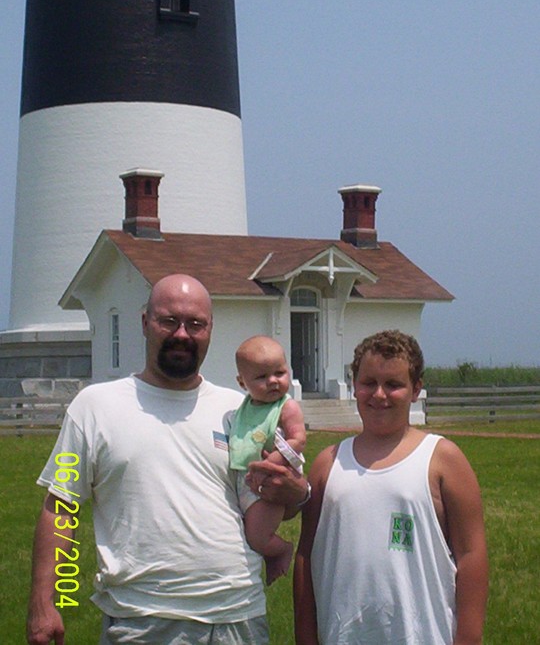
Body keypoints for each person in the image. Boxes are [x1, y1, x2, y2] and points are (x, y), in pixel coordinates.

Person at [27, 274, 309, 645]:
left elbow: (272, 501)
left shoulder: (241, 411)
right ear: (145, 322)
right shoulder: (94, 407)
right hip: (141, 620)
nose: (182, 334)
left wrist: (296, 493)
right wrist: (43, 603)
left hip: (238, 617)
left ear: (210, 330)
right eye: (169, 321)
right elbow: (62, 505)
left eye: (195, 324)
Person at [294, 330, 488, 645]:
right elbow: (306, 555)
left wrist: (468, 637)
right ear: (354, 384)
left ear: (416, 389)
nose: (379, 395)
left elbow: (471, 555)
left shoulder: (442, 460)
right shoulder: (327, 464)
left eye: (393, 384)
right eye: (369, 383)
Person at [229, 335, 307, 586]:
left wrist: (272, 461)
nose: (273, 381)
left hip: (271, 483)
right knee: (246, 533)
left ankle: (281, 549)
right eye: (262, 377)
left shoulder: (286, 407)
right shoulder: (243, 409)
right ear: (242, 383)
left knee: (258, 538)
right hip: (246, 481)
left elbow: (298, 440)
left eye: (279, 373)